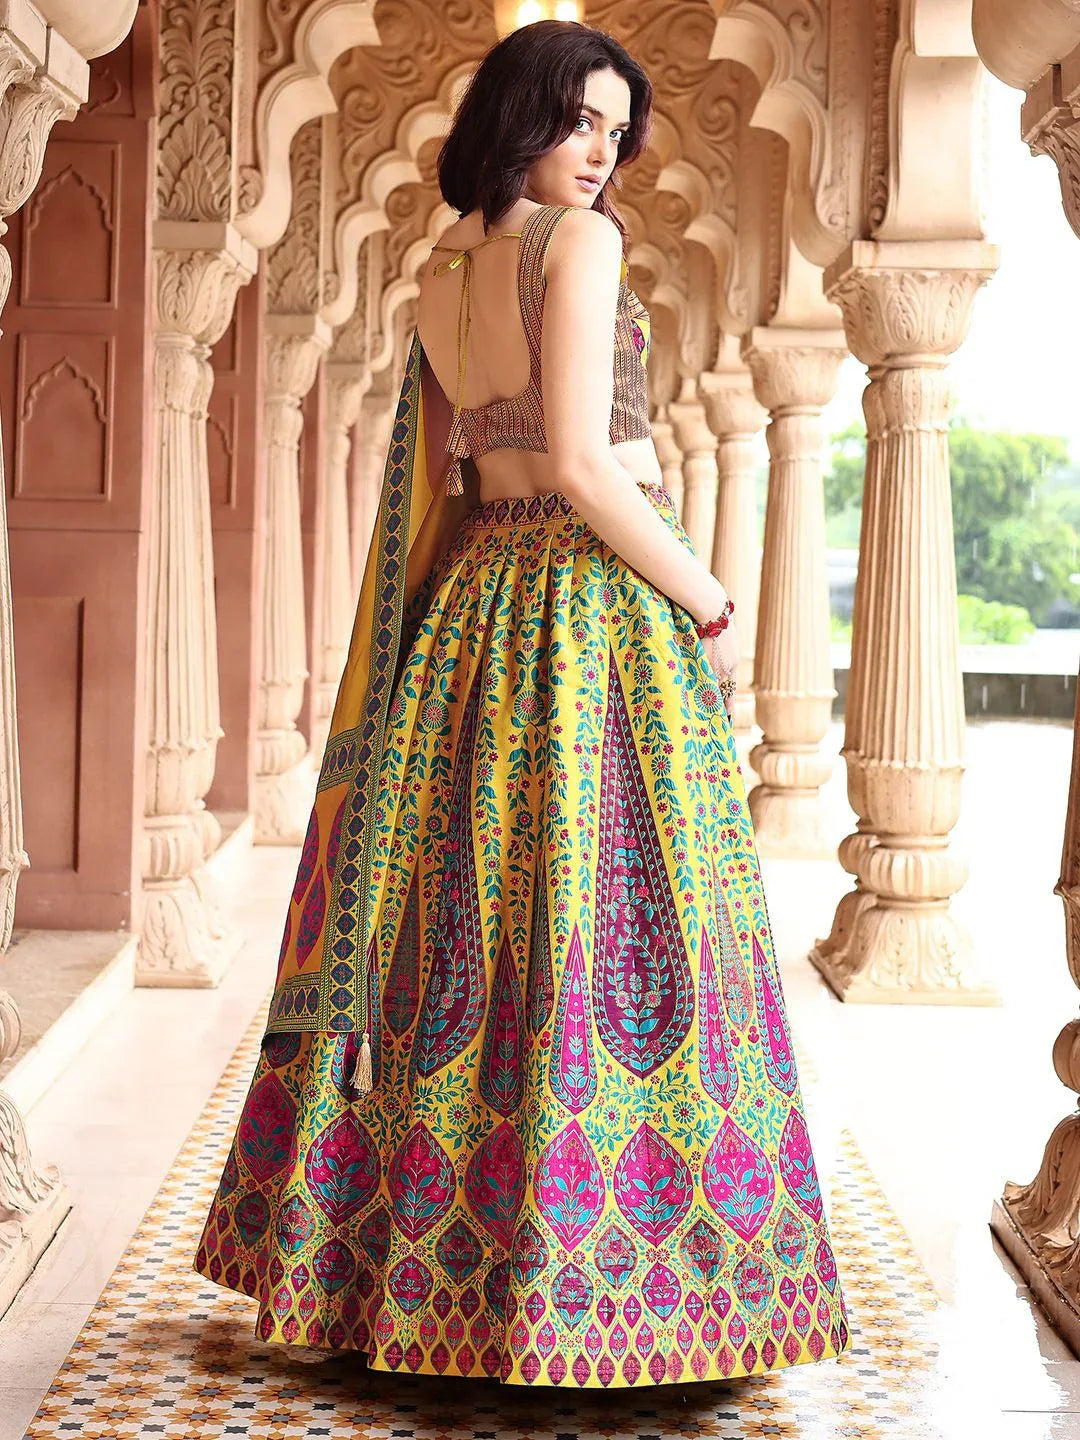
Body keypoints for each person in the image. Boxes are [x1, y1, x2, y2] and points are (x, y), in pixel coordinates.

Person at [194, 18, 851, 1390]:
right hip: (592, 610)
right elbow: (587, 465)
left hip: (472, 616)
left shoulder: (444, 268)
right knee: (616, 923)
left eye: (616, 129)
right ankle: (617, 1294)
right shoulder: (583, 247)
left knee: (464, 935)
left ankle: (420, 1284)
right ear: (519, 116)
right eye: (579, 120)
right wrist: (706, 596)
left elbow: (446, 481)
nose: (601, 152)